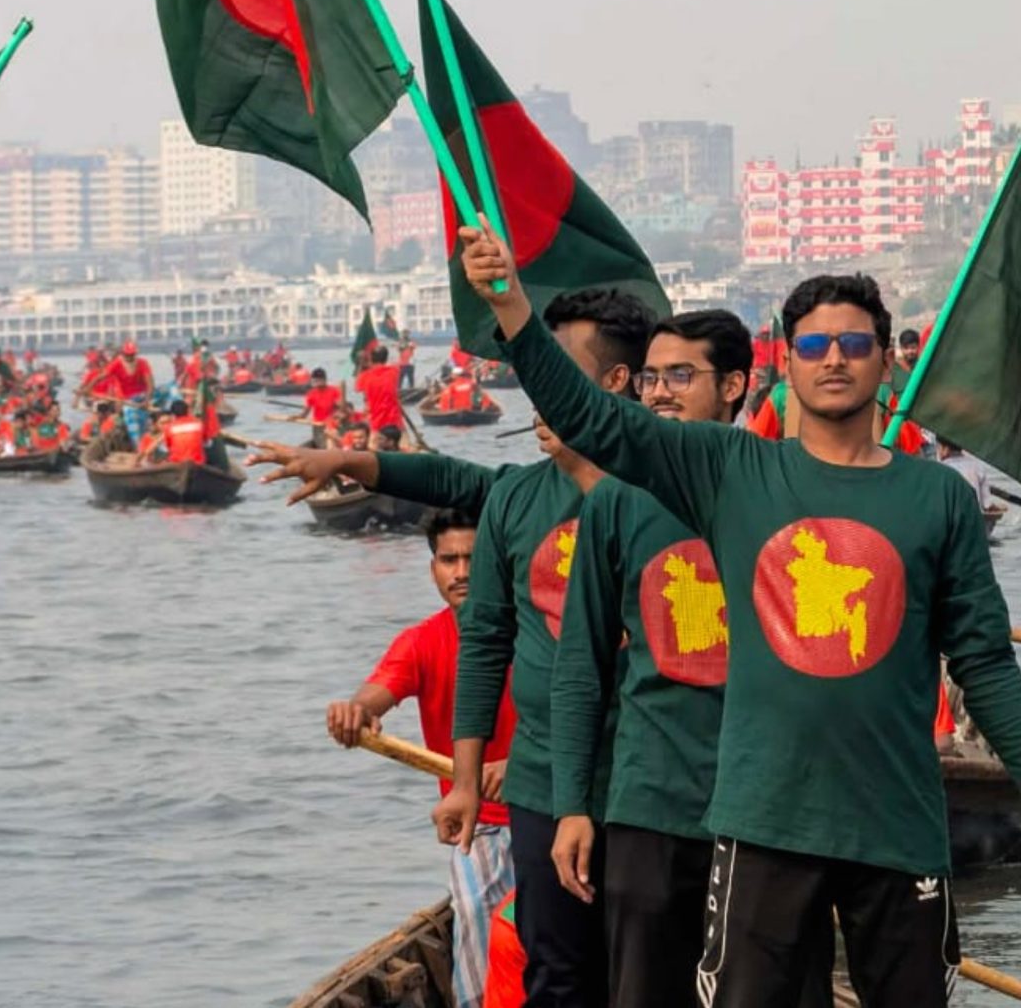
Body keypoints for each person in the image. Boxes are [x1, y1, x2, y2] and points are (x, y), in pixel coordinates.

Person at [461, 228, 1021, 1008]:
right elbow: (594, 418)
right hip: (764, 822)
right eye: (814, 343)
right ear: (786, 362)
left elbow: (985, 662)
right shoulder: (731, 471)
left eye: (854, 342)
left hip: (898, 821)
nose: (834, 357)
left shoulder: (939, 497)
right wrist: (513, 310)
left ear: (884, 359)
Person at [254, 287, 659, 1008]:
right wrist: (466, 783)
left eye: (554, 370)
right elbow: (481, 633)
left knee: (652, 972)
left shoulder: (672, 484)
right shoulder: (518, 497)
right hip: (543, 779)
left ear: (617, 381)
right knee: (557, 973)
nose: (537, 389)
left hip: (650, 776)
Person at [540, 308, 792, 1006]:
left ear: (735, 385)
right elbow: (580, 666)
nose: (657, 393)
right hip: (650, 802)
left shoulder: (784, 488)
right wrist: (572, 806)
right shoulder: (616, 501)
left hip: (768, 807)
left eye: (680, 375)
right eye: (649, 378)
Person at [323, 516, 517, 1008]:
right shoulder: (422, 642)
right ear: (433, 570)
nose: (462, 572)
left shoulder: (537, 632)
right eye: (449, 560)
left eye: (473, 559)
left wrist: (520, 763)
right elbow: (374, 696)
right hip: (479, 826)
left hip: (555, 813)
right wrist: (355, 713)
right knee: (476, 909)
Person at [303, 368, 344, 441]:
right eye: (315, 381)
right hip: (318, 425)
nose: (317, 383)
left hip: (332, 424)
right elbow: (306, 411)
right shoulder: (311, 393)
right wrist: (299, 416)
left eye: (319, 380)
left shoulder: (334, 390)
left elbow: (341, 407)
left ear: (325, 380)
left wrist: (338, 410)